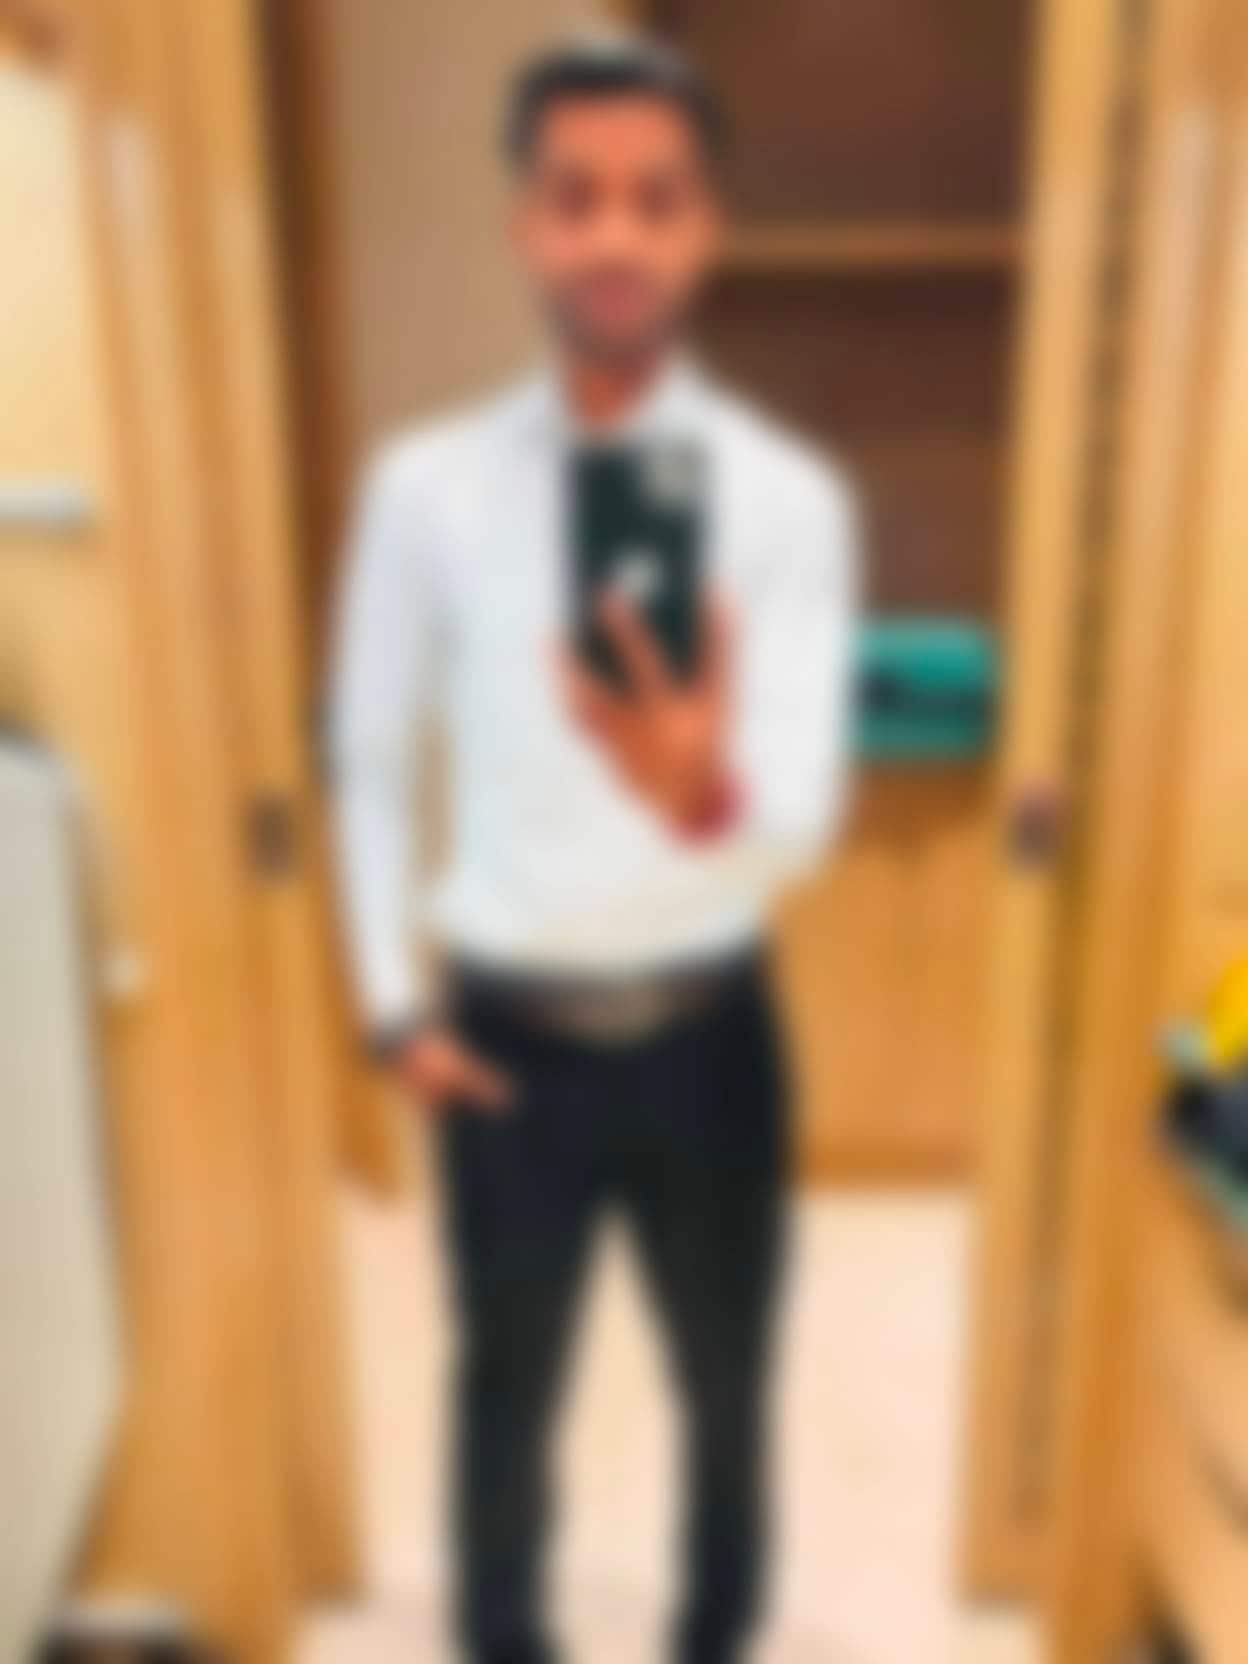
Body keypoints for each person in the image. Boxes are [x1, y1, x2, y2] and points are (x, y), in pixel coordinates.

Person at [329, 30, 858, 1664]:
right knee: (504, 1395)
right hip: (504, 1044)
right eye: (576, 197)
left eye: (656, 198)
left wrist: (697, 793)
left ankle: (711, 1639)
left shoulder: (786, 500)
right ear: (524, 223)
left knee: (728, 1391)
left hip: (712, 1034)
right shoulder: (423, 490)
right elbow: (364, 759)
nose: (615, 235)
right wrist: (390, 1008)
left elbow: (802, 814)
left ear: (707, 229)